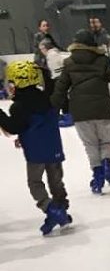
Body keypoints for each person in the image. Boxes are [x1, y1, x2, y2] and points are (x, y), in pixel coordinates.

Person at [51, 28, 110, 194]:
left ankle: (98, 174)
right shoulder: (102, 60)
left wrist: (51, 111)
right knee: (106, 141)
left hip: (80, 112)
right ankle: (108, 166)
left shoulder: (69, 63)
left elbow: (60, 90)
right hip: (102, 109)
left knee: (90, 144)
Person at [0, 61, 73, 236]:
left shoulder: (19, 106)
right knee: (56, 181)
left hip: (35, 153)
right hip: (54, 149)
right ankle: (61, 208)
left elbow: (14, 127)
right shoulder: (47, 98)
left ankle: (52, 209)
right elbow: (37, 123)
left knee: (35, 183)